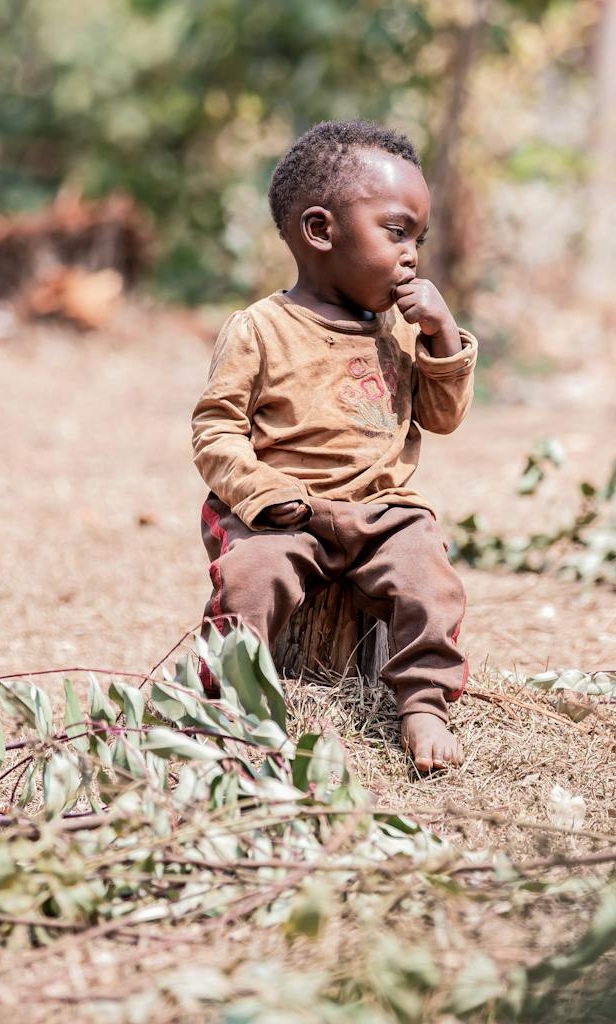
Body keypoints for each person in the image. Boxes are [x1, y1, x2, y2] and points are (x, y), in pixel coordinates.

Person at [191, 120, 475, 772]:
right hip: (280, 510)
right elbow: (216, 430)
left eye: (419, 240)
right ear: (320, 231)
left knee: (430, 573)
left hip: (380, 511)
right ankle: (232, 709)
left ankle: (423, 701)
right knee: (250, 580)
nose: (411, 256)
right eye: (396, 232)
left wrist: (442, 335)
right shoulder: (260, 329)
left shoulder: (402, 332)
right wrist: (261, 492)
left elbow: (443, 415)